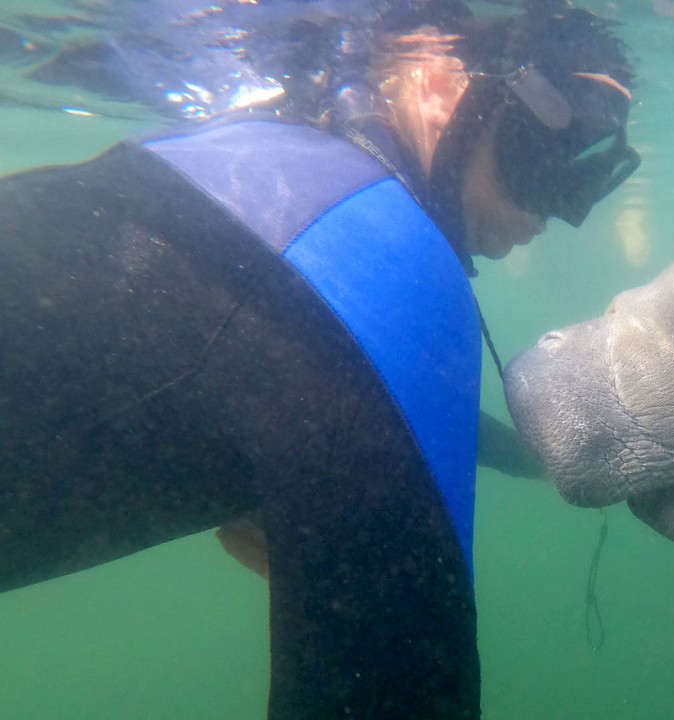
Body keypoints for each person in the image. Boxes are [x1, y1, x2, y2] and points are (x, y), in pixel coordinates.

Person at [0, 0, 637, 717]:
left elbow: (307, 368)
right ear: (435, 83)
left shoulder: (266, 166)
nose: (551, 213)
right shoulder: (388, 266)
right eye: (543, 155)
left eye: (585, 176)